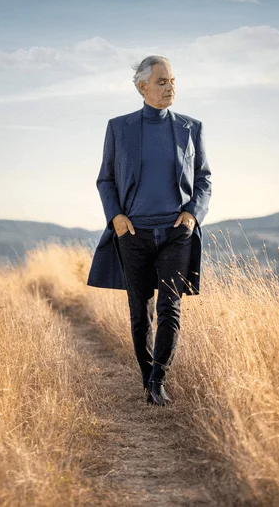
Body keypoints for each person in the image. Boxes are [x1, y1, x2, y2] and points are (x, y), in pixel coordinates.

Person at [86, 55, 212, 406]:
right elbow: (105, 179)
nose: (170, 86)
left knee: (170, 308)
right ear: (142, 87)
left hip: (176, 234)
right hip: (134, 234)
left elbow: (203, 179)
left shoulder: (191, 128)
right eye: (161, 81)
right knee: (140, 310)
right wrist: (117, 218)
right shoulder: (119, 127)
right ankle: (146, 379)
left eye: (172, 80)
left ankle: (158, 380)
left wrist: (192, 215)